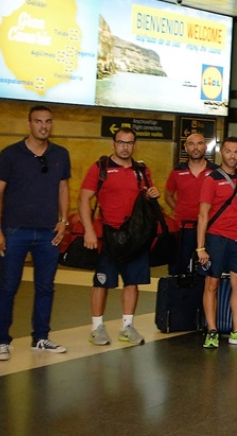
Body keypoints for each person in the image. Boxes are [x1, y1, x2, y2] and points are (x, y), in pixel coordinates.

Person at [0, 105, 71, 359]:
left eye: (48, 121)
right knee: (7, 286)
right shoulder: (10, 154)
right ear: (29, 124)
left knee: (46, 287)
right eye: (38, 121)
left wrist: (63, 221)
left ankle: (41, 337)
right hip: (14, 231)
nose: (44, 126)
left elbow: (63, 189)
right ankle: (2, 341)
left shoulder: (60, 154)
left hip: (48, 232)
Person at [78, 127, 161, 347]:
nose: (125, 147)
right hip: (109, 236)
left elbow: (147, 198)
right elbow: (84, 199)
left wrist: (153, 194)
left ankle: (127, 326)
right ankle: (97, 328)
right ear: (114, 143)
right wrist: (88, 230)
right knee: (101, 283)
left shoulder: (142, 170)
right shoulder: (100, 168)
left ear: (135, 144)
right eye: (121, 142)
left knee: (132, 282)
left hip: (136, 237)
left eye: (130, 142)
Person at [196, 137, 237, 349]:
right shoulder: (211, 179)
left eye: (236, 152)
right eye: (229, 151)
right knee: (212, 284)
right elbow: (203, 215)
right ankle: (211, 330)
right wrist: (201, 247)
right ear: (222, 152)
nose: (233, 155)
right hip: (216, 238)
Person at [163, 131, 215, 273]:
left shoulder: (216, 172)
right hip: (183, 228)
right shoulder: (177, 171)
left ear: (205, 147)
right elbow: (168, 196)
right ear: (186, 148)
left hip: (209, 228)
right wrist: (180, 208)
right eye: (191, 144)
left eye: (199, 143)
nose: (196, 148)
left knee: (207, 271)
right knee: (179, 269)